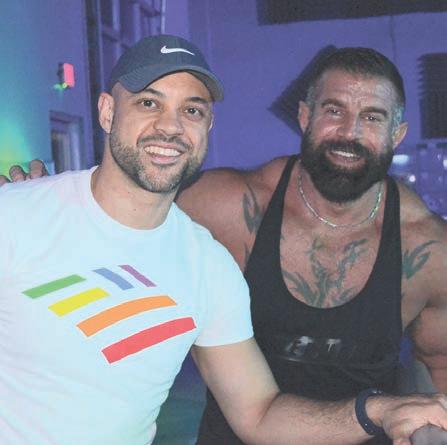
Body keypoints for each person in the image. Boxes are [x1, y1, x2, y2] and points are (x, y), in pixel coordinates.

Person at [2, 38, 447, 445]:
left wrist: (380, 411)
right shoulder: (18, 216)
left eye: (192, 110)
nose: (170, 126)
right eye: (148, 102)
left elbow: (259, 414)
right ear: (106, 112)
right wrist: (34, 198)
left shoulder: (209, 264)